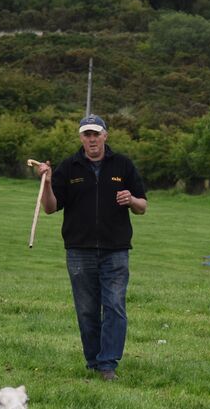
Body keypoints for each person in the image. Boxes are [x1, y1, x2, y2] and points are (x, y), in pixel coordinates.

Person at [36, 114, 148, 382]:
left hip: (116, 250)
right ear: (81, 138)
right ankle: (93, 361)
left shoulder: (123, 165)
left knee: (114, 306)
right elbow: (50, 208)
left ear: (105, 136)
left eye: (96, 134)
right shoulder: (69, 167)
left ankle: (108, 365)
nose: (92, 139)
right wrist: (48, 182)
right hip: (79, 250)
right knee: (86, 309)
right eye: (87, 134)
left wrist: (130, 198)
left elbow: (143, 207)